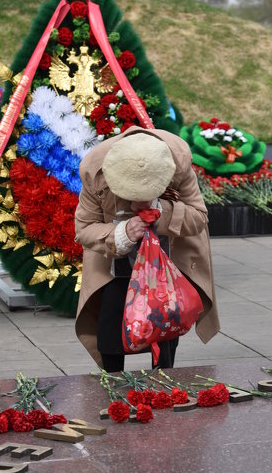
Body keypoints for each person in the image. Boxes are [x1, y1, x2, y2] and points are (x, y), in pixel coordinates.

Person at [75, 127, 219, 372]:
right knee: (110, 334)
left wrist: (163, 212)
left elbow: (199, 217)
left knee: (165, 331)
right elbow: (84, 228)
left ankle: (163, 383)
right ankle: (111, 387)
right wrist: (121, 234)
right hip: (114, 266)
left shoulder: (177, 160)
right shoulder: (95, 170)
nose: (140, 202)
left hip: (167, 265)